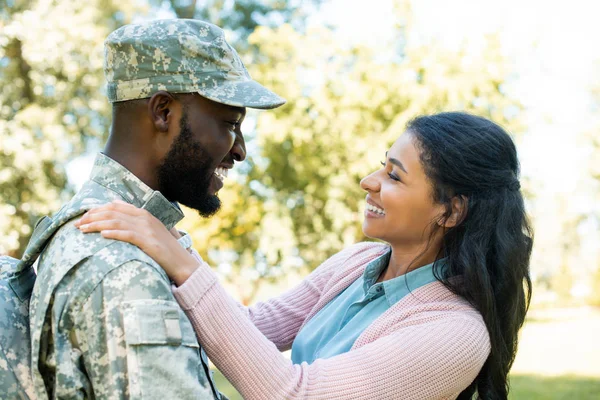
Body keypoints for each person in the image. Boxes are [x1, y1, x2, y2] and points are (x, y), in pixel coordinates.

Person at [78, 112, 533, 399]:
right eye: (382, 164)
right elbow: (251, 328)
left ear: (450, 211)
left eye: (394, 176)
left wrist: (181, 262)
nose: (369, 181)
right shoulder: (357, 264)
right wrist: (160, 253)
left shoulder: (453, 333)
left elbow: (295, 394)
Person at [29, 19, 285, 399]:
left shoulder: (128, 235)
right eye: (230, 123)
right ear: (163, 111)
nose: (240, 150)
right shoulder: (122, 263)